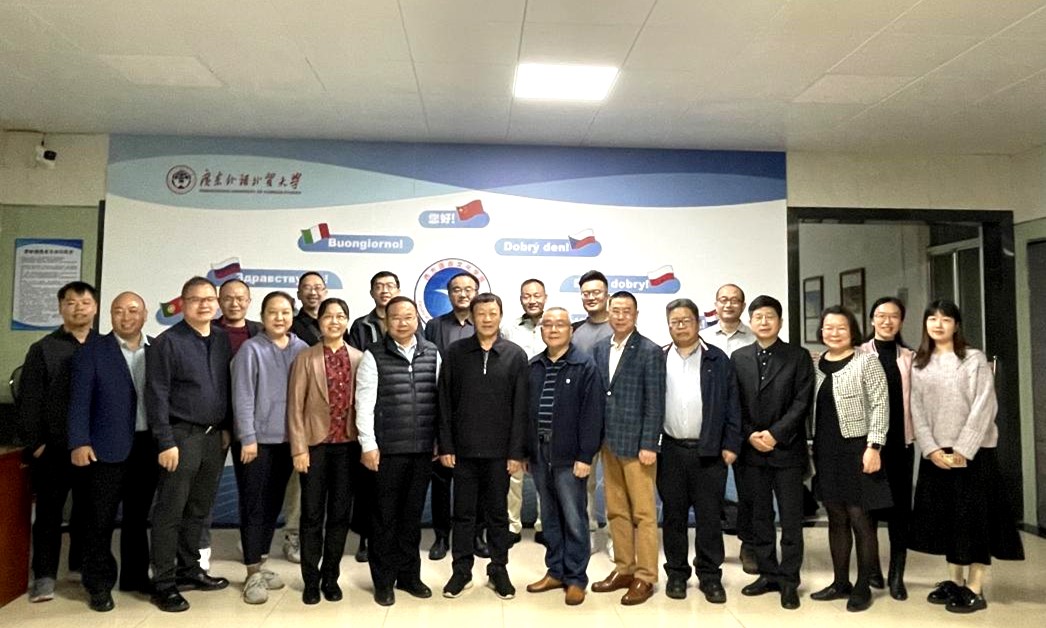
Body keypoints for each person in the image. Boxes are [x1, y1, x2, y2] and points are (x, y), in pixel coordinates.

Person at [908, 299, 1024, 614]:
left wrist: (962, 450)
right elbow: (916, 409)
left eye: (945, 319)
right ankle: (954, 581)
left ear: (956, 325)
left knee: (974, 521)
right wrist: (931, 449)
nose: (938, 324)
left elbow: (984, 406)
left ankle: (974, 587)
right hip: (936, 454)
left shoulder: (973, 359)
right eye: (932, 319)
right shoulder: (920, 362)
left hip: (973, 454)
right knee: (947, 520)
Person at [146, 277, 231, 612]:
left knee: (198, 509)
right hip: (180, 437)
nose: (205, 304)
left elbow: (224, 386)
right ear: (182, 304)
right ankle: (164, 583)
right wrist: (165, 441)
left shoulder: (221, 339)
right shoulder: (167, 342)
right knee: (170, 511)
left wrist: (227, 428)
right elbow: (156, 394)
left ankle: (189, 570)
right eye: (196, 299)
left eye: (210, 298)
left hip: (213, 438)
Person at [438, 293, 529, 600]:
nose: (487, 319)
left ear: (500, 316)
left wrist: (516, 452)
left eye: (492, 313)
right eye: (481, 314)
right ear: (472, 317)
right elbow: (444, 401)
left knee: (498, 516)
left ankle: (498, 569)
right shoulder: (456, 352)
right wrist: (446, 445)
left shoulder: (515, 355)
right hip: (463, 451)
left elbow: (521, 408)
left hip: (500, 454)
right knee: (463, 514)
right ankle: (461, 571)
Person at [67, 291, 153, 612]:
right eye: (119, 311)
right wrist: (79, 441)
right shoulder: (92, 350)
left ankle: (135, 577)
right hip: (104, 448)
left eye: (133, 310)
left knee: (137, 518)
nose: (126, 316)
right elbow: (78, 401)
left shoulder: (156, 349)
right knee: (99, 520)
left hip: (147, 447)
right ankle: (99, 584)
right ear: (110, 315)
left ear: (144, 315)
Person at [357, 296, 440, 606]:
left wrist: (439, 439)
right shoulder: (373, 355)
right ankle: (383, 581)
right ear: (386, 322)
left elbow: (439, 399)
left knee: (411, 518)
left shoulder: (432, 352)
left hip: (422, 450)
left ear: (417, 319)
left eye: (408, 317)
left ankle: (409, 576)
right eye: (396, 317)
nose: (402, 322)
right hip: (386, 451)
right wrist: (368, 445)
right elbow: (364, 405)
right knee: (384, 518)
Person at [19, 280, 98, 603]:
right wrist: (37, 444)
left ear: (95, 307)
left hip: (94, 448)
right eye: (70, 303)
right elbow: (29, 401)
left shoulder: (104, 346)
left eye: (84, 302)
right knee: (49, 515)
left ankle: (80, 567)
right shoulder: (43, 349)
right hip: (53, 448)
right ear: (60, 307)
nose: (78, 308)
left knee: (88, 512)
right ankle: (44, 576)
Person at [808, 305, 891, 613]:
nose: (834, 333)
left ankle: (863, 586)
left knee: (860, 517)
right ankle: (840, 581)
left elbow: (881, 405)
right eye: (828, 328)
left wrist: (875, 446)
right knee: (836, 517)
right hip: (826, 451)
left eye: (841, 328)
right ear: (821, 331)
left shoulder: (867, 361)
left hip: (858, 448)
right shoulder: (817, 365)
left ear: (852, 331)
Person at [659, 298, 742, 604]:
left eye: (686, 320)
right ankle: (676, 574)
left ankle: (710, 576)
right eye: (675, 322)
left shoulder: (717, 359)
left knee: (709, 517)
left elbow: (733, 404)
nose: (680, 326)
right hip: (670, 450)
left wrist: (731, 444)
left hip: (709, 451)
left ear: (698, 323)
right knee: (674, 516)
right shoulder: (659, 357)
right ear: (668, 325)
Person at [733, 295, 814, 610]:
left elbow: (802, 402)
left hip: (787, 451)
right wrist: (750, 434)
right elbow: (734, 403)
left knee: (791, 519)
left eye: (770, 316)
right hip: (752, 451)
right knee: (760, 517)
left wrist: (776, 434)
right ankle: (768, 574)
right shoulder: (739, 357)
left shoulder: (798, 356)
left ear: (780, 322)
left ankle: (789, 580)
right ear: (750, 322)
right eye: (758, 317)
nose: (764, 322)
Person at [524, 307, 604, 606]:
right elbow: (525, 413)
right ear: (541, 330)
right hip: (540, 453)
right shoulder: (534, 366)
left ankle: (576, 578)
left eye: (560, 324)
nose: (553, 329)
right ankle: (555, 571)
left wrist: (585, 456)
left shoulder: (584, 366)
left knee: (573, 518)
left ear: (571, 330)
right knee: (550, 518)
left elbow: (593, 415)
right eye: (548, 325)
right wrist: (526, 451)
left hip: (571, 456)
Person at [232, 291, 308, 604]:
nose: (279, 318)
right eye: (273, 312)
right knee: (254, 506)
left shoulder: (302, 349)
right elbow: (243, 395)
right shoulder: (251, 349)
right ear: (262, 317)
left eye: (285, 312)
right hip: (258, 443)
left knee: (273, 506)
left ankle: (260, 564)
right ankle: (251, 572)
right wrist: (247, 437)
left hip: (289, 442)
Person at [590, 291, 666, 606]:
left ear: (635, 315)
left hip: (638, 446)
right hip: (608, 443)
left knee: (644, 514)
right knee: (616, 510)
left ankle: (645, 576)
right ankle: (624, 568)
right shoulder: (598, 349)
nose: (620, 316)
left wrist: (650, 443)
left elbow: (656, 401)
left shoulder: (650, 350)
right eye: (616, 311)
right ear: (608, 313)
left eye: (626, 311)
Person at [287, 297, 361, 605]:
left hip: (348, 448)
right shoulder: (306, 357)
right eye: (328, 316)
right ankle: (310, 579)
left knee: (340, 516)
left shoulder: (359, 358)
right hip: (314, 448)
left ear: (346, 321)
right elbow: (295, 407)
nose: (334, 321)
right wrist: (299, 449)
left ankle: (331, 577)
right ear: (319, 321)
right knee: (312, 515)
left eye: (340, 316)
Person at [198, 278, 262, 571]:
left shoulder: (259, 332)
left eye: (240, 298)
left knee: (252, 492)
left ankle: (251, 546)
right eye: (228, 298)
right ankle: (200, 549)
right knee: (205, 491)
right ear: (218, 301)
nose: (234, 303)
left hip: (251, 428)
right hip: (216, 427)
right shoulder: (207, 332)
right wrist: (224, 424)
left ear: (249, 301)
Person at [860, 297, 915, 599]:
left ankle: (897, 575)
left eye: (893, 316)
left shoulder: (910, 358)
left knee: (900, 512)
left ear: (901, 322)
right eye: (881, 315)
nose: (887, 321)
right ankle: (872, 568)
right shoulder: (858, 354)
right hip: (868, 445)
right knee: (868, 510)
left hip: (900, 443)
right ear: (872, 320)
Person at [346, 271, 403, 563]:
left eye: (390, 286)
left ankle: (394, 538)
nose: (384, 290)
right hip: (369, 411)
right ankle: (366, 538)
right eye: (379, 286)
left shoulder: (413, 324)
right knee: (368, 483)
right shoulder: (361, 325)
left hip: (400, 414)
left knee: (396, 486)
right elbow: (356, 364)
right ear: (371, 292)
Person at [702, 283, 759, 574]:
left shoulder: (755, 337)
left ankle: (749, 544)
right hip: (711, 425)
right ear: (715, 304)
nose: (728, 304)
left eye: (735, 300)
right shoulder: (702, 338)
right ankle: (713, 549)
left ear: (743, 305)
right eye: (723, 299)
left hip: (746, 424)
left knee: (748, 490)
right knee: (710, 491)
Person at [423, 271, 480, 560]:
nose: (463, 294)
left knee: (477, 480)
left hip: (476, 414)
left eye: (468, 289)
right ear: (449, 294)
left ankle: (476, 535)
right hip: (442, 411)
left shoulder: (484, 324)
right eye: (457, 289)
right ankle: (441, 536)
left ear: (476, 292)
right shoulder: (434, 326)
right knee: (442, 481)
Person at [282, 271, 328, 563]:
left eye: (318, 287)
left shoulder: (334, 323)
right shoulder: (292, 327)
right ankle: (292, 536)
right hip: (300, 414)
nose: (313, 292)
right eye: (307, 288)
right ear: (298, 293)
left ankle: (316, 537)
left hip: (331, 420)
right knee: (298, 484)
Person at [501, 278, 547, 544]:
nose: (532, 300)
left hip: (546, 405)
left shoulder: (554, 325)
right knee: (514, 470)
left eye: (537, 295)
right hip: (515, 405)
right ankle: (512, 525)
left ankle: (544, 525)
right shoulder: (508, 328)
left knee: (544, 469)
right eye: (527, 296)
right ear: (520, 299)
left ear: (545, 297)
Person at [570, 270, 613, 551]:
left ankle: (613, 538)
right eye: (586, 293)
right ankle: (583, 536)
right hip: (582, 419)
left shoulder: (619, 328)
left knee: (612, 485)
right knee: (582, 481)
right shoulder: (575, 332)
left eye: (596, 292)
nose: (591, 297)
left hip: (613, 420)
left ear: (607, 295)